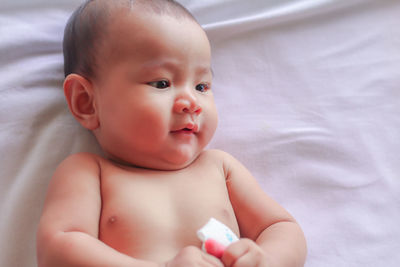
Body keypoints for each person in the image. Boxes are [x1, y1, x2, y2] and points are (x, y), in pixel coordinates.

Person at [36, 0, 307, 266]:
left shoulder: (220, 168)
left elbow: (281, 227)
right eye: (162, 83)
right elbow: (59, 249)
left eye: (202, 86)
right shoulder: (89, 172)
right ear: (86, 102)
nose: (192, 102)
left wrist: (269, 258)